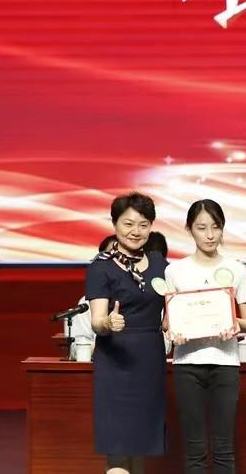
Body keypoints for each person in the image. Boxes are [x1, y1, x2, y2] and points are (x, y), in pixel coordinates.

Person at [164, 199, 246, 474]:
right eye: (201, 228)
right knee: (194, 447)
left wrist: (235, 324)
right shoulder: (175, 270)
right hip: (187, 364)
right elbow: (167, 322)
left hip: (225, 363)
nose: (209, 235)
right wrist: (173, 331)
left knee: (224, 446)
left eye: (215, 227)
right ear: (189, 229)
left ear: (223, 228)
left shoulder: (237, 269)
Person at [86, 192, 169, 474]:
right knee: (119, 445)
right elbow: (97, 320)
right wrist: (108, 323)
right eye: (128, 224)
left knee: (140, 444)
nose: (136, 231)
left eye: (143, 225)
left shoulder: (160, 264)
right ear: (114, 224)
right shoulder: (101, 267)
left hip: (150, 358)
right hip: (116, 360)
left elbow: (177, 304)